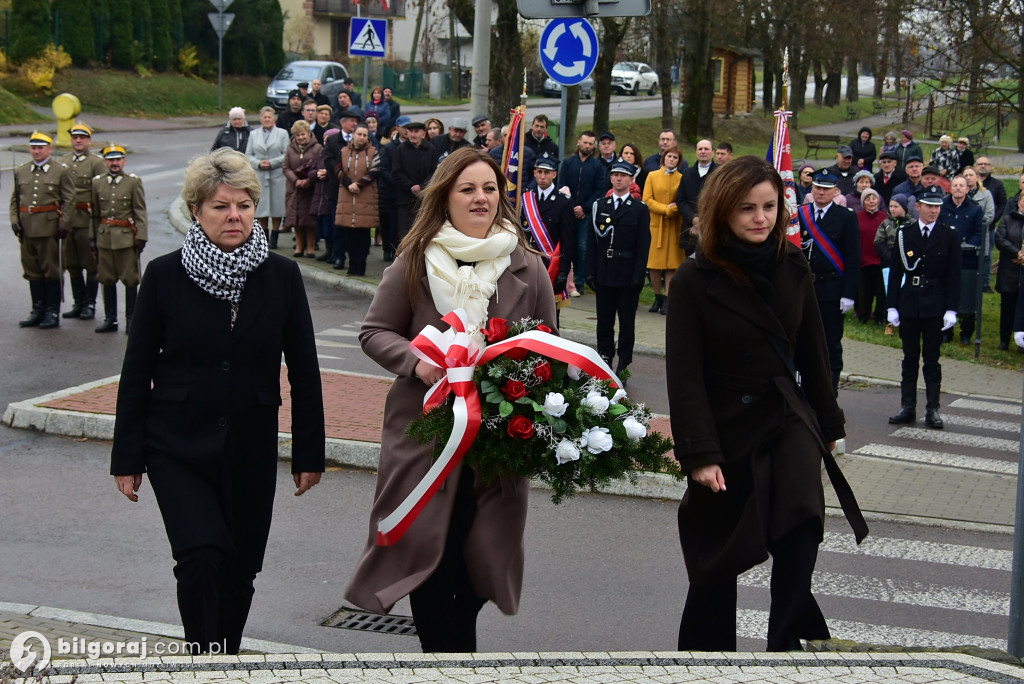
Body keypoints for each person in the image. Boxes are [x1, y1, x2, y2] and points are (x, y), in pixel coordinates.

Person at [110, 148, 324, 655]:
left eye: (245, 205)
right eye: (221, 207)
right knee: (200, 555)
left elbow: (305, 368)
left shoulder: (281, 276)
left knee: (242, 566)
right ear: (197, 212)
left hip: (250, 443)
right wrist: (127, 457)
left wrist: (308, 454)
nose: (235, 216)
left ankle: (225, 656)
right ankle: (202, 659)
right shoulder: (163, 276)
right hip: (176, 444)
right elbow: (136, 370)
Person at [346, 147, 555, 653]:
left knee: (480, 561)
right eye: (468, 189)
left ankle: (454, 652)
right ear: (446, 198)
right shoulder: (416, 259)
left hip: (496, 442)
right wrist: (418, 362)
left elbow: (551, 345)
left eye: (489, 189)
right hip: (427, 440)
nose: (481, 198)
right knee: (429, 564)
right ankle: (448, 661)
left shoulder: (526, 265)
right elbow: (375, 332)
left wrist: (522, 381)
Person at [666, 155, 867, 652]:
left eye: (770, 207)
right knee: (717, 553)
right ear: (721, 212)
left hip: (786, 417)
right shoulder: (693, 279)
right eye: (747, 209)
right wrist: (700, 453)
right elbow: (684, 376)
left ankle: (785, 650)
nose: (761, 218)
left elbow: (814, 352)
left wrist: (828, 420)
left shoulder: (793, 264)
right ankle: (707, 659)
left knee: (802, 525)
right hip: (725, 428)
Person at [887, 186, 961, 429]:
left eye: (937, 206)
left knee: (932, 359)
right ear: (917, 207)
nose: (934, 211)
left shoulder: (948, 235)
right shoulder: (904, 233)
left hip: (935, 304)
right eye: (929, 206)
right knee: (909, 358)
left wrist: (951, 309)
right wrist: (891, 306)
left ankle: (933, 409)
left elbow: (954, 276)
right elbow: (896, 272)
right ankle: (908, 406)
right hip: (910, 303)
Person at [585, 159, 651, 376]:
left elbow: (643, 245)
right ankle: (604, 360)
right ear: (611, 178)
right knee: (604, 322)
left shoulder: (639, 209)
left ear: (632, 180)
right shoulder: (599, 206)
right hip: (604, 272)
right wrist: (589, 271)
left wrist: (639, 275)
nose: (619, 179)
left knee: (626, 323)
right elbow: (592, 243)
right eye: (615, 175)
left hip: (627, 274)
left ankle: (623, 362)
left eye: (623, 175)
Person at [797, 171, 861, 393]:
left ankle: (829, 391)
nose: (821, 192)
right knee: (804, 340)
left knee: (831, 342)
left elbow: (853, 257)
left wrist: (849, 293)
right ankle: (805, 389)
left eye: (826, 188)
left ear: (835, 191)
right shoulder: (800, 214)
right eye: (817, 187)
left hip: (832, 289)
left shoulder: (846, 217)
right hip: (805, 288)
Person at [10, 131, 75, 329]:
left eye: (40, 148)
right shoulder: (22, 170)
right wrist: (14, 219)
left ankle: (51, 312)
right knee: (32, 271)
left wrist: (65, 224)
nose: (36, 151)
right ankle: (37, 309)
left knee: (50, 271)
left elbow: (70, 200)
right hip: (26, 229)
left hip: (49, 229)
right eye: (33, 147)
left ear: (49, 149)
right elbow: (15, 199)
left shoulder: (60, 171)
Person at [91, 144, 147, 334]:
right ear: (105, 162)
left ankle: (131, 320)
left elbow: (140, 210)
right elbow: (95, 215)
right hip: (105, 238)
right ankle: (110, 319)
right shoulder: (97, 182)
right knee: (106, 279)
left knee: (130, 280)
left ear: (124, 161)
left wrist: (141, 236)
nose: (114, 163)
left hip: (126, 238)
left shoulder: (132, 181)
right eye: (110, 160)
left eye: (118, 159)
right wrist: (93, 238)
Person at [58, 123, 106, 321]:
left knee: (91, 263)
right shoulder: (63, 162)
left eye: (82, 137)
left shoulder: (96, 163)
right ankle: (78, 302)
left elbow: (102, 193)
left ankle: (90, 304)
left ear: (89, 140)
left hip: (87, 220)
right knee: (72, 263)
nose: (78, 140)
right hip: (69, 220)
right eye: (75, 137)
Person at [521, 153, 576, 324]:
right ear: (535, 173)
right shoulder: (526, 199)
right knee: (526, 314)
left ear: (554, 174)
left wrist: (564, 271)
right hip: (528, 264)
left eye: (547, 172)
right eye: (539, 172)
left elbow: (568, 241)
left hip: (551, 267)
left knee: (550, 317)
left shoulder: (563, 202)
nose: (543, 176)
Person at [559, 131, 608, 291]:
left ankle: (581, 280)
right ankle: (565, 279)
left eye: (590, 144)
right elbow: (562, 184)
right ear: (579, 142)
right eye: (584, 142)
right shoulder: (568, 163)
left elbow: (599, 190)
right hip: (568, 212)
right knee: (567, 246)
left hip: (586, 214)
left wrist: (584, 208)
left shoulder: (598, 167)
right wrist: (572, 206)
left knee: (583, 246)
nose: (587, 146)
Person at [940, 175, 984, 345]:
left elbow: (980, 232)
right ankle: (946, 331)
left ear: (967, 189)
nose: (958, 188)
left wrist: (967, 246)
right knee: (946, 293)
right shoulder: (942, 206)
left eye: (961, 186)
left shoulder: (975, 209)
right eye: (955, 185)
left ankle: (966, 332)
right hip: (945, 258)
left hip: (967, 259)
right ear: (950, 188)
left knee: (967, 294)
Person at [644, 147, 684, 315]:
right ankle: (657, 296)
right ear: (663, 158)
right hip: (656, 225)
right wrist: (664, 209)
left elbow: (682, 200)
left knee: (671, 266)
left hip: (674, 226)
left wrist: (672, 211)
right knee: (654, 264)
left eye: (675, 157)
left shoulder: (682, 178)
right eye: (669, 156)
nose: (672, 159)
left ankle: (668, 299)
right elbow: (647, 198)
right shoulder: (652, 176)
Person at [335, 123, 380, 276]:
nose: (361, 138)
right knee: (349, 234)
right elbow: (338, 169)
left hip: (366, 195)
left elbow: (376, 170)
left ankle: (361, 266)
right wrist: (349, 185)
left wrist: (359, 184)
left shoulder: (374, 152)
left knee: (363, 234)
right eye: (359, 134)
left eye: (364, 135)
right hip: (347, 195)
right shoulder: (343, 151)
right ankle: (351, 265)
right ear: (353, 135)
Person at [245, 107, 289, 245]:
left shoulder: (282, 133)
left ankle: (275, 237)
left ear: (274, 119)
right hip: (260, 175)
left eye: (270, 117)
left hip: (277, 175)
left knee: (277, 207)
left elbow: (286, 153)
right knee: (262, 208)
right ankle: (263, 236)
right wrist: (258, 163)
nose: (267, 119)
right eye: (265, 117)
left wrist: (272, 162)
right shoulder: (253, 134)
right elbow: (248, 154)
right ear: (261, 119)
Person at [282, 120, 323, 258]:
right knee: (296, 218)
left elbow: (319, 166)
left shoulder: (317, 148)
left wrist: (308, 181)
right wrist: (296, 180)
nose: (300, 137)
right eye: (298, 135)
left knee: (310, 220)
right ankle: (299, 246)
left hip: (310, 189)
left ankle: (311, 247)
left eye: (303, 134)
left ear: (309, 133)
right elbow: (285, 167)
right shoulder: (290, 148)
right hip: (294, 189)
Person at [393, 120, 434, 243]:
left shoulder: (430, 149)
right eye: (411, 131)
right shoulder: (400, 149)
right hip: (405, 199)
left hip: (424, 199)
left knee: (424, 233)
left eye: (416, 131)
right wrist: (411, 186)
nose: (413, 134)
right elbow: (396, 172)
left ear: (423, 133)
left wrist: (422, 187)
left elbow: (434, 172)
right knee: (405, 234)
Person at [675, 139, 718, 257]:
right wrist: (693, 219)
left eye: (706, 149)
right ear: (696, 152)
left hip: (713, 229)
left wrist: (704, 221)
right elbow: (681, 200)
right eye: (700, 149)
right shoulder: (687, 173)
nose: (703, 151)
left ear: (712, 152)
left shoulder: (720, 173)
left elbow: (722, 200)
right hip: (690, 231)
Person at [995, 189, 1024, 350]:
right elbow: (1000, 239)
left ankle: (1022, 342)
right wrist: (1017, 253)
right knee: (1007, 307)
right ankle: (1004, 339)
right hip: (1010, 270)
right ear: (1019, 202)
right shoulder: (1008, 220)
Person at [856, 188, 887, 325]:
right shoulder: (857, 217)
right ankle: (864, 314)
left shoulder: (885, 217)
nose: (871, 201)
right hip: (864, 259)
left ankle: (879, 315)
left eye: (873, 198)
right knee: (865, 291)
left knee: (881, 291)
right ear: (863, 202)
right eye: (868, 199)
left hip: (881, 260)